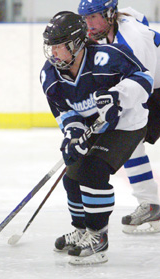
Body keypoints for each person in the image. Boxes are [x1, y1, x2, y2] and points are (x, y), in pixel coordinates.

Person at [40, 11, 153, 265]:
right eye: (51, 46)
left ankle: (98, 238)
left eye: (59, 46)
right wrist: (73, 134)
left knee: (93, 171)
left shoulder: (107, 58)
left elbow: (144, 78)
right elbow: (64, 111)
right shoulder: (49, 75)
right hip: (93, 125)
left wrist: (118, 97)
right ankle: (81, 231)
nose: (53, 52)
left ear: (77, 43)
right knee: (72, 176)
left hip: (126, 124)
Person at [78, 0, 160, 234]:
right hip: (154, 86)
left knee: (129, 132)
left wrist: (116, 104)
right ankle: (152, 205)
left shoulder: (133, 38)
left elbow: (143, 83)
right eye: (86, 18)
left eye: (94, 17)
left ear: (110, 13)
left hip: (153, 86)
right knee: (130, 140)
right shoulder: (111, 29)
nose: (89, 24)